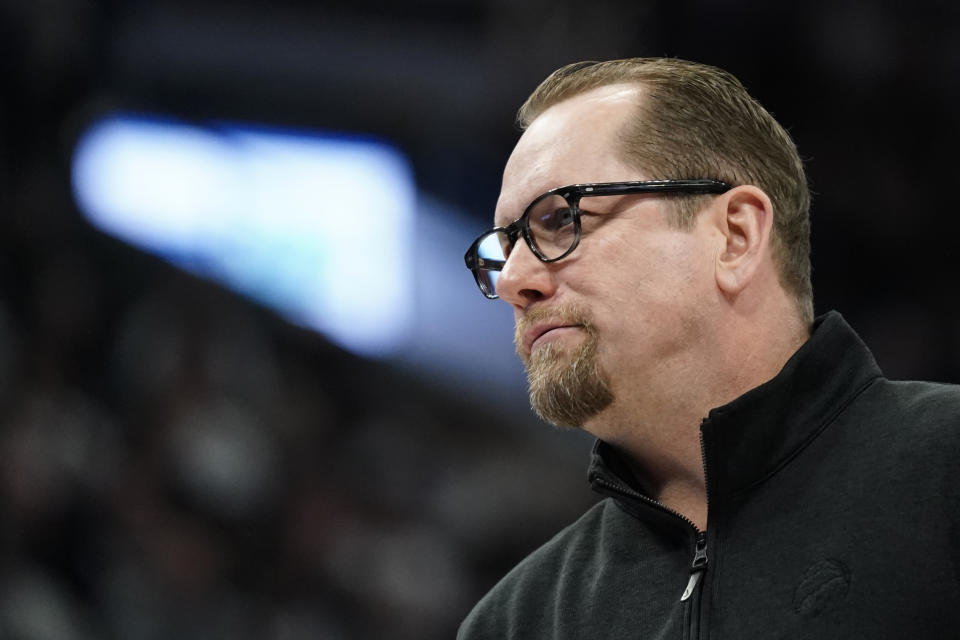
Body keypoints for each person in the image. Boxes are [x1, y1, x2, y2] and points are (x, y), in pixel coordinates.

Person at [459, 58, 960, 639]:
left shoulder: (944, 471)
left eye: (558, 218)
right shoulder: (517, 622)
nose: (513, 279)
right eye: (504, 246)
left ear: (736, 237)